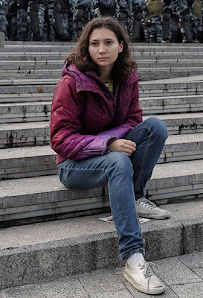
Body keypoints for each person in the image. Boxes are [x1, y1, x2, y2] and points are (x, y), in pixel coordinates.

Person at [50, 17, 169, 295]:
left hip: (108, 150)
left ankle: (134, 195)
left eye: (108, 43)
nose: (101, 50)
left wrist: (114, 140)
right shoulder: (72, 83)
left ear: (120, 47)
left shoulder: (127, 78)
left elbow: (133, 120)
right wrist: (108, 144)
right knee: (117, 160)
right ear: (86, 48)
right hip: (73, 165)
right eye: (94, 44)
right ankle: (133, 258)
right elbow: (60, 140)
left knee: (155, 128)